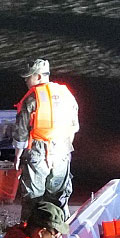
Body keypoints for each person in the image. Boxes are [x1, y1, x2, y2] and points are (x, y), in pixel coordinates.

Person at [13, 58, 80, 210]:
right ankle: (58, 229)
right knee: (59, 198)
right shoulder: (66, 95)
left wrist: (17, 156)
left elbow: (22, 133)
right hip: (62, 152)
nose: (26, 81)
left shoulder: (31, 98)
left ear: (38, 76)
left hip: (37, 152)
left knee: (33, 198)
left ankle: (31, 230)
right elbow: (74, 127)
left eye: (28, 77)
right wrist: (65, 150)